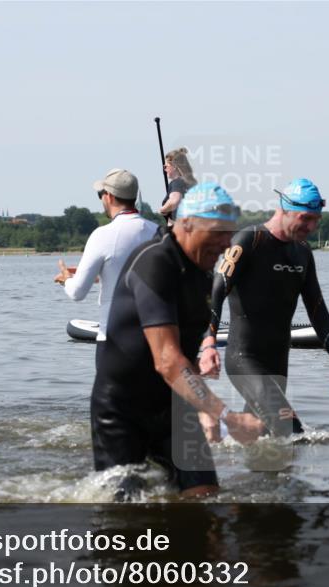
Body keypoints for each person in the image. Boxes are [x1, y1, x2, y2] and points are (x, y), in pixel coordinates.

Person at [91, 183, 263, 500]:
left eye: (231, 233)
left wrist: (203, 412)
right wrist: (227, 416)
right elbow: (168, 360)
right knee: (127, 518)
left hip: (173, 410)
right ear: (186, 224)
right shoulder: (155, 262)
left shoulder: (205, 277)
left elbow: (185, 353)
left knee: (206, 500)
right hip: (122, 412)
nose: (226, 244)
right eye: (217, 232)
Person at [199, 178, 329, 438]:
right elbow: (216, 292)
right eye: (305, 218)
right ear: (284, 209)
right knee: (291, 432)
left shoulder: (302, 252)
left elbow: (317, 310)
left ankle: (216, 456)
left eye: (316, 220)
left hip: (278, 363)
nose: (311, 227)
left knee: (259, 439)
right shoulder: (249, 240)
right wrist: (208, 342)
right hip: (244, 360)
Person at [53, 168, 158, 342]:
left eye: (100, 194)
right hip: (153, 342)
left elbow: (77, 293)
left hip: (114, 342)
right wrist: (101, 273)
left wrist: (66, 278)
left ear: (109, 196)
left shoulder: (101, 235)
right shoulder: (159, 232)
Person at [158, 148, 198, 222]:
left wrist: (162, 210)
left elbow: (175, 200)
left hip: (178, 228)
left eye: (166, 166)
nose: (164, 169)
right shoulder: (191, 183)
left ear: (174, 166)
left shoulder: (177, 182)